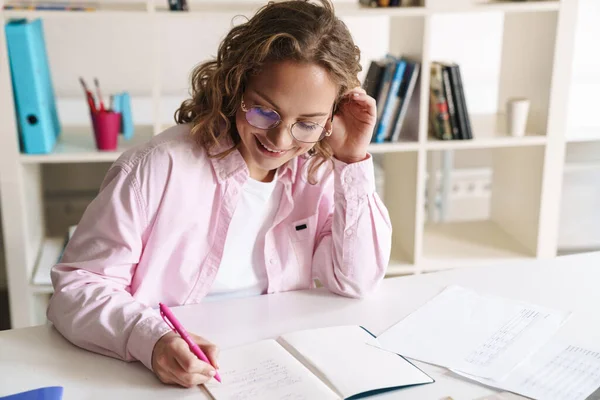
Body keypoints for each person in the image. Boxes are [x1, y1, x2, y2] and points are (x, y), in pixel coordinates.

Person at [47, 0, 392, 389]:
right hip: (156, 375)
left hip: (273, 368)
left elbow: (357, 281)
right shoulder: (156, 168)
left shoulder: (318, 172)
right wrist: (152, 340)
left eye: (307, 124)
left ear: (331, 119)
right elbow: (77, 289)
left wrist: (352, 159)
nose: (280, 140)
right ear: (236, 86)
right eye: (265, 112)